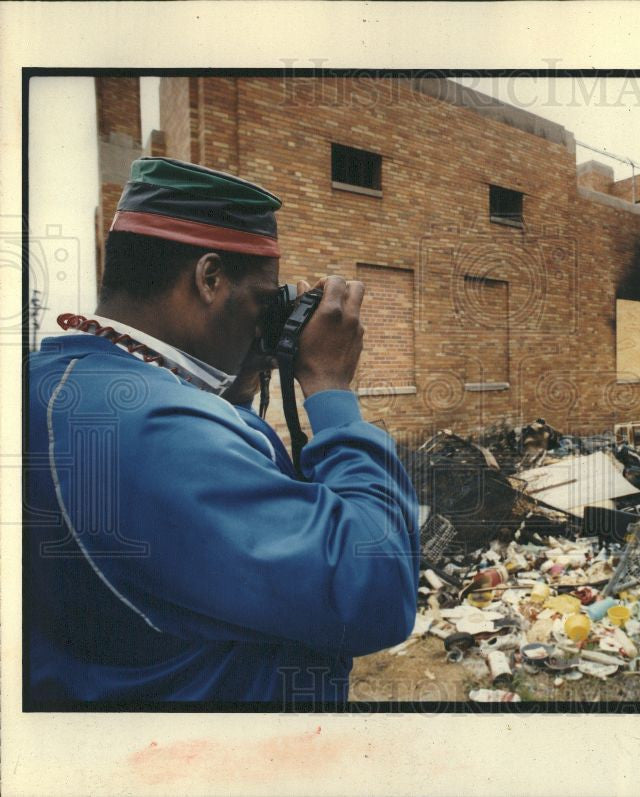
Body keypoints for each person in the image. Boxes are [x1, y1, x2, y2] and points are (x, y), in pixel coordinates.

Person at [25, 157, 420, 705]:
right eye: (262, 302)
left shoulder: (56, 383)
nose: (265, 325)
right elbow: (376, 588)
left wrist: (235, 376)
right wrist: (330, 389)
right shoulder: (155, 432)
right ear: (210, 278)